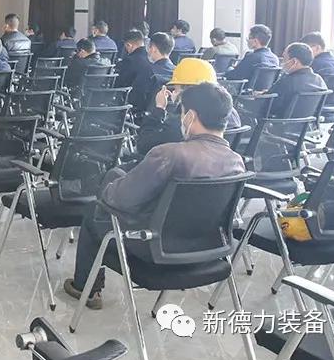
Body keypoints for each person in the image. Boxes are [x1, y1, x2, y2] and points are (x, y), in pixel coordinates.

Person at [63, 83, 246, 308]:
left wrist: (108, 187)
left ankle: (86, 289)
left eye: (182, 113)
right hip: (208, 250)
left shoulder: (170, 154)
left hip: (156, 248)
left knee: (95, 213)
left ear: (190, 116)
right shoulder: (236, 162)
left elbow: (121, 199)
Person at [136, 59, 241, 156]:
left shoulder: (185, 123)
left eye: (176, 89)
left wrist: (159, 108)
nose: (174, 92)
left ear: (186, 91)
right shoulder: (231, 113)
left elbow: (143, 145)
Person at [267, 42, 328, 119]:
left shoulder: (287, 81)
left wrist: (264, 95)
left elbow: (270, 106)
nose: (282, 62)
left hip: (280, 123)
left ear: (294, 61)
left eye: (284, 58)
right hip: (308, 124)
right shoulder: (320, 80)